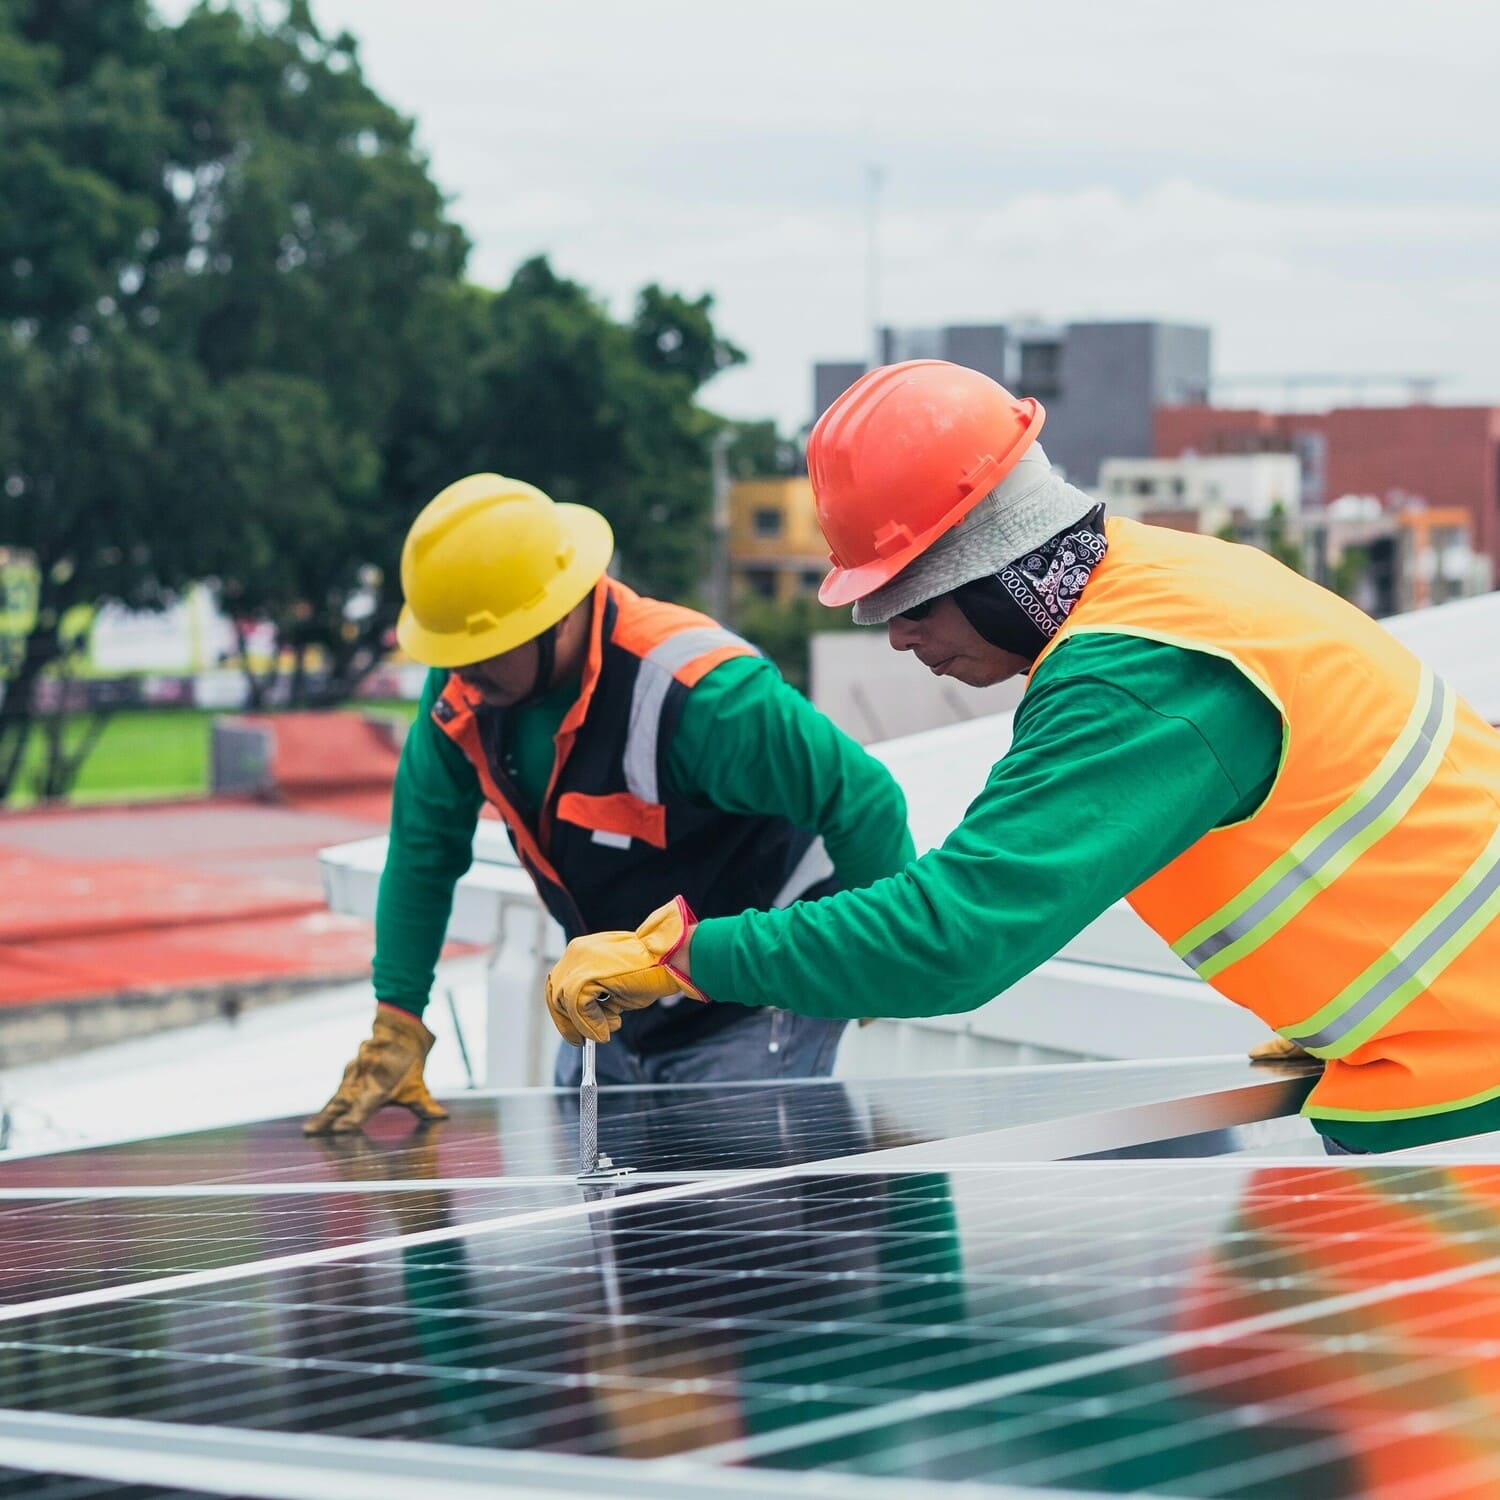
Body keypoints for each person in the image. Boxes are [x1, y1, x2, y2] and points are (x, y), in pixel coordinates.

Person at [545, 360, 1500, 1156]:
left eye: (910, 603)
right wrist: (1324, 1003)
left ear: (992, 565)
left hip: (1469, 1069)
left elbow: (953, 939)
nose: (898, 639)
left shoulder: (1135, 678)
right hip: (1434, 1039)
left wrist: (680, 955)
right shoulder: (1172, 581)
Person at [303, 472, 914, 1134]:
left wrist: (877, 961)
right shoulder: (464, 700)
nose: (461, 674)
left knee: (734, 1216)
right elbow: (423, 853)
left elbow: (864, 800)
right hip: (613, 1004)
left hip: (751, 1001)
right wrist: (397, 1018)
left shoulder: (700, 693)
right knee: (615, 1214)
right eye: (450, 654)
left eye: (480, 651)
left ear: (558, 614)